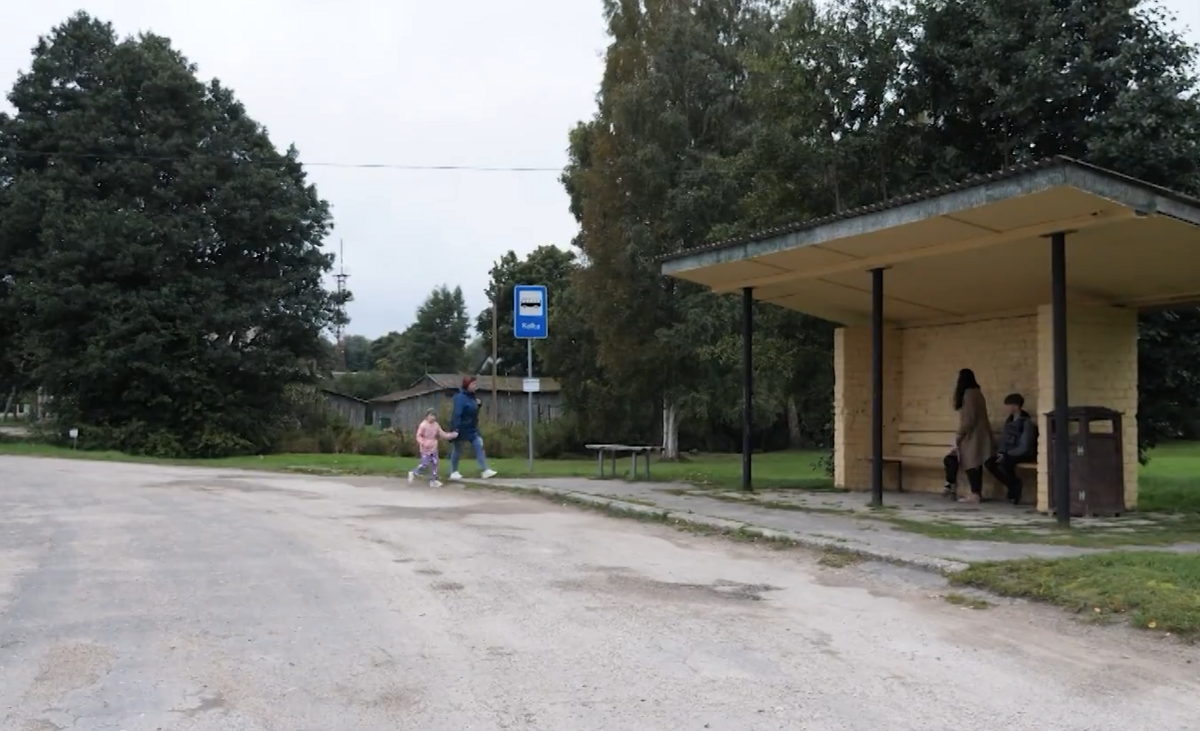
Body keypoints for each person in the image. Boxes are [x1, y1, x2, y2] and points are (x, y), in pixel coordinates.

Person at [985, 393, 1039, 505]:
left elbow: (1025, 446)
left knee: (1006, 462)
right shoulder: (1009, 421)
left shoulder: (1026, 423)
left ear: (1016, 406)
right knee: (990, 463)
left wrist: (1008, 454)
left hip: (1024, 453)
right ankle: (1013, 484)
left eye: (1008, 405)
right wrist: (1001, 452)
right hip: (1008, 453)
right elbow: (1004, 439)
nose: (1006, 408)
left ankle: (1014, 491)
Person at [952, 368, 995, 504]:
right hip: (981, 433)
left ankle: (975, 494)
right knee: (976, 464)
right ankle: (976, 493)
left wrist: (959, 434)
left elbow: (968, 419)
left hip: (973, 434)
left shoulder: (968, 394)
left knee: (971, 463)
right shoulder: (978, 392)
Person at [448, 376, 497, 481]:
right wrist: (455, 429)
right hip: (460, 427)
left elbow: (473, 413)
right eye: (473, 384)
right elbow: (457, 413)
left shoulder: (472, 397)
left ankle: (485, 470)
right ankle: (453, 472)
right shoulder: (460, 397)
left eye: (475, 384)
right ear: (467, 385)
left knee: (478, 445)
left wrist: (478, 405)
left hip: (471, 428)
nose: (475, 386)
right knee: (457, 450)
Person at [408, 409, 457, 487]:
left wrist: (452, 435)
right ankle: (414, 473)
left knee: (435, 463)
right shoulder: (423, 425)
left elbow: (442, 434)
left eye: (434, 416)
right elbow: (418, 435)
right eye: (431, 415)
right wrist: (423, 443)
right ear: (427, 416)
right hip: (425, 448)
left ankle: (433, 480)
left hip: (433, 447)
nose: (433, 417)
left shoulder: (436, 425)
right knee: (425, 464)